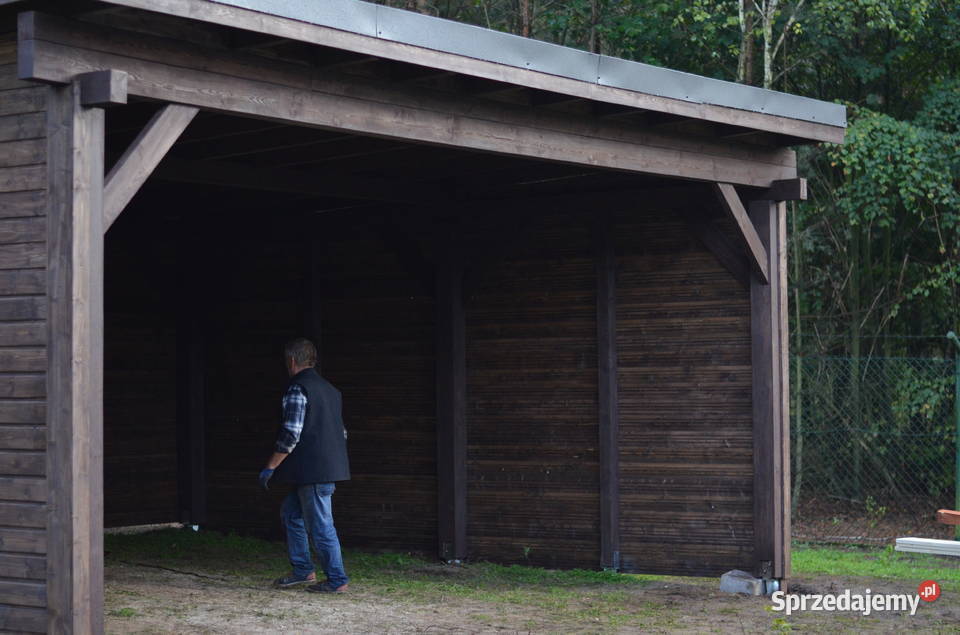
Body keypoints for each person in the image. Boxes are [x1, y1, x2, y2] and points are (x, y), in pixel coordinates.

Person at [259, 338, 351, 594]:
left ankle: (336, 579)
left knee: (321, 525)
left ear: (291, 361)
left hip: (313, 472)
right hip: (322, 468)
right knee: (292, 514)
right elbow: (341, 432)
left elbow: (291, 434)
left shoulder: (298, 389)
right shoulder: (331, 391)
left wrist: (270, 467)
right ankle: (303, 570)